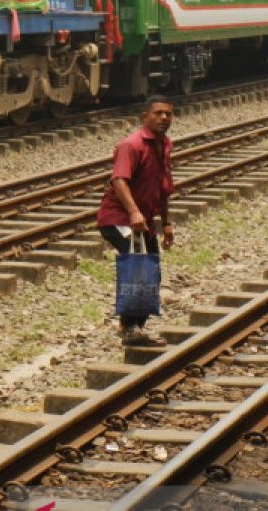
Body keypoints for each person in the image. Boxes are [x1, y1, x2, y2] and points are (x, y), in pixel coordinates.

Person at [97, 95, 176, 347]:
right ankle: (130, 328)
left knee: (151, 269)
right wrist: (133, 212)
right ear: (145, 117)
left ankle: (135, 327)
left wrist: (166, 222)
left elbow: (163, 187)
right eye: (158, 113)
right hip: (118, 218)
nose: (164, 118)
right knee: (139, 265)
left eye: (168, 114)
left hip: (142, 222)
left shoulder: (165, 144)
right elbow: (119, 180)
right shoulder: (131, 145)